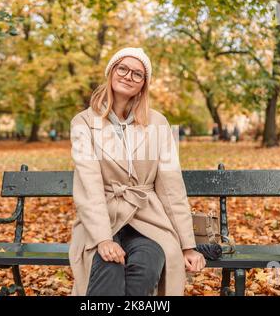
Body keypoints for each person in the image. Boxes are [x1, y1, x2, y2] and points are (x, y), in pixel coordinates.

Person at [69, 47, 205, 296]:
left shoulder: (159, 123)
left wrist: (188, 245)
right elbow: (89, 187)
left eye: (137, 74)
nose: (128, 76)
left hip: (147, 218)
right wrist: (103, 239)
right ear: (111, 72)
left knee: (146, 266)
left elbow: (172, 187)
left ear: (143, 84)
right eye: (123, 68)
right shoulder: (83, 122)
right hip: (103, 219)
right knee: (107, 269)